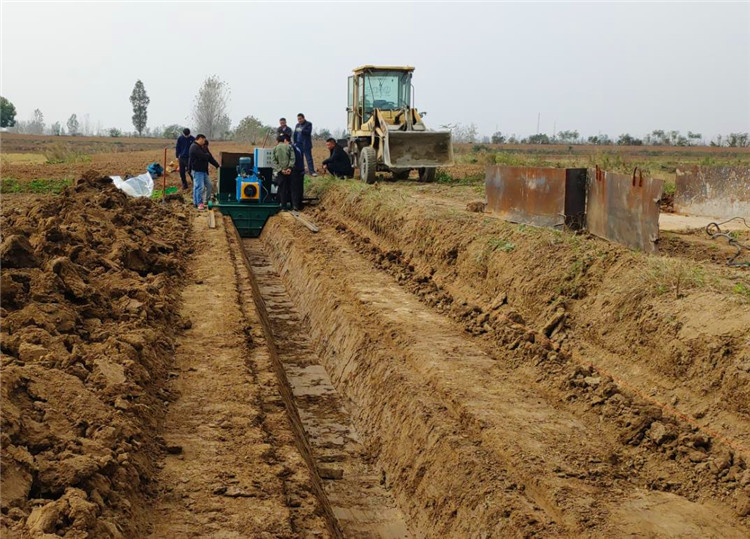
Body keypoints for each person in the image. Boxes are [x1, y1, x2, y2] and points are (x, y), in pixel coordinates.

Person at [188, 134, 219, 211]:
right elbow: (203, 156)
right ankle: (199, 203)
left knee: (209, 185)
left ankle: (205, 201)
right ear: (200, 139)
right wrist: (206, 155)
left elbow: (209, 157)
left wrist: (217, 165)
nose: (204, 142)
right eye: (204, 140)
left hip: (203, 171)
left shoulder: (204, 147)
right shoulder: (194, 147)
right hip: (197, 170)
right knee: (199, 187)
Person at [272, 134, 295, 211]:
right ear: (284, 140)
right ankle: (292, 206)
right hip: (289, 172)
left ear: (277, 141)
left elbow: (274, 161)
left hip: (280, 172)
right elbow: (292, 158)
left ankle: (283, 207)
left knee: (282, 189)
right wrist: (289, 168)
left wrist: (280, 170)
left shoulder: (275, 148)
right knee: (291, 188)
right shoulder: (289, 147)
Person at [290, 139, 305, 211]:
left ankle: (295, 205)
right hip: (300, 169)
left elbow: (292, 160)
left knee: (294, 188)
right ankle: (299, 204)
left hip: (295, 170)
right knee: (299, 188)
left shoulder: (291, 148)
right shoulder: (297, 147)